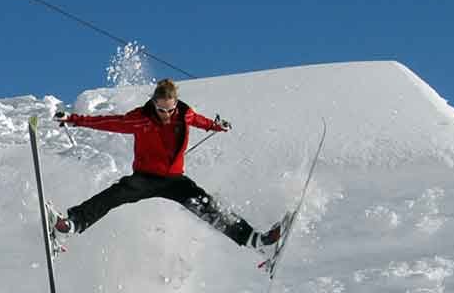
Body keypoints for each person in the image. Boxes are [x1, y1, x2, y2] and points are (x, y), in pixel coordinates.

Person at [52, 79, 286, 252]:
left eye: (170, 109)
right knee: (114, 196)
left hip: (174, 180)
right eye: (161, 109)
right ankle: (72, 224)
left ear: (176, 104)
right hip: (144, 178)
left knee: (207, 206)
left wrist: (217, 126)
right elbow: (110, 122)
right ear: (154, 103)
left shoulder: (184, 114)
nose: (165, 114)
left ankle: (255, 239)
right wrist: (73, 120)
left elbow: (200, 120)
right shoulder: (141, 117)